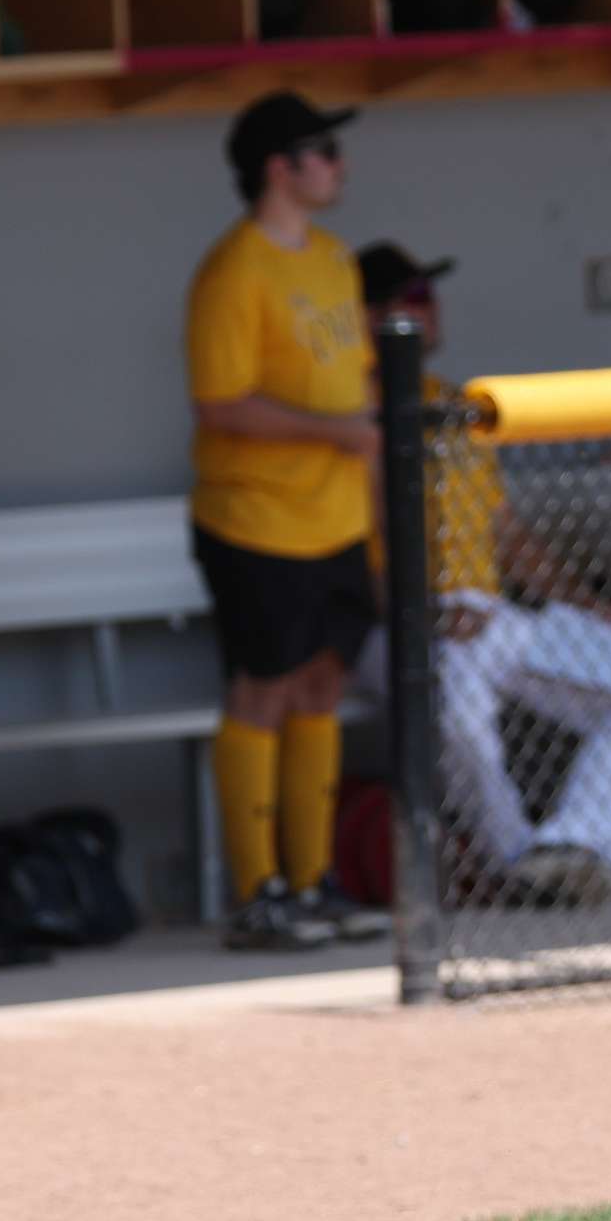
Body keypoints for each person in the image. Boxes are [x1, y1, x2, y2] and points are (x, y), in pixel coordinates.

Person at [356, 242, 611, 906]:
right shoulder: (349, 414)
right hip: (391, 629)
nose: (429, 310)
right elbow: (349, 548)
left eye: (428, 296)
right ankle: (513, 859)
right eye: (411, 299)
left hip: (489, 618)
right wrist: (420, 615)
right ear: (366, 317)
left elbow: (507, 534)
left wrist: (582, 600)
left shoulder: (451, 403)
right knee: (456, 709)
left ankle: (574, 849)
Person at [186, 90, 391, 950]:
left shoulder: (335, 260)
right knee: (262, 689)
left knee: (321, 687)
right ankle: (256, 893)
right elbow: (221, 403)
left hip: (336, 520)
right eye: (324, 152)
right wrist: (335, 432)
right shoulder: (235, 271)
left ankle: (312, 881)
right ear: (281, 168)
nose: (339, 167)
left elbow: (360, 380)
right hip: (257, 522)